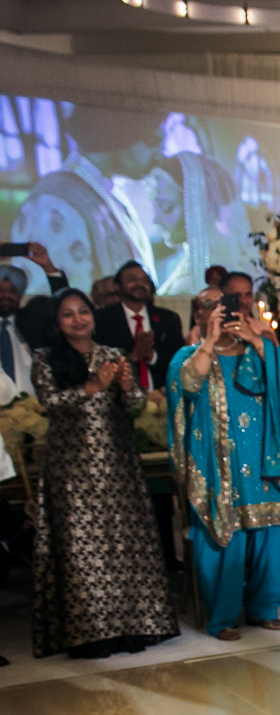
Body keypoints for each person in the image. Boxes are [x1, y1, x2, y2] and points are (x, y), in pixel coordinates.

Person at [29, 289, 179, 658]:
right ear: (56, 322)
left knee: (123, 547)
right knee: (84, 551)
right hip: (72, 470)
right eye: (68, 314)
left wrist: (128, 388)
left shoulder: (112, 354)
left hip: (117, 466)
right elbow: (49, 402)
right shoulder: (46, 358)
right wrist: (91, 387)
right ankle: (93, 634)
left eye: (84, 311)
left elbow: (134, 407)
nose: (78, 319)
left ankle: (134, 627)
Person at [167, 287, 280, 641]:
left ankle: (264, 609)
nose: (217, 310)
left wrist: (258, 342)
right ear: (196, 315)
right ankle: (223, 617)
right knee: (224, 538)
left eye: (223, 304)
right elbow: (187, 384)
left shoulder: (259, 355)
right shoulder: (188, 355)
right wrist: (209, 342)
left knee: (271, 535)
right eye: (206, 305)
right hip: (219, 469)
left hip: (265, 464)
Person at [92, 260, 183, 392]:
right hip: (119, 398)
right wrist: (134, 355)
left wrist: (152, 356)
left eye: (145, 280)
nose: (140, 284)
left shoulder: (168, 319)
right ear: (117, 286)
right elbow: (98, 365)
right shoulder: (101, 319)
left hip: (162, 397)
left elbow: (179, 362)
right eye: (132, 279)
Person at [1, 244, 72, 387]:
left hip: (34, 403)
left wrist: (49, 268)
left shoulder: (33, 320)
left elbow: (64, 305)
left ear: (20, 295)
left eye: (13, 290)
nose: (6, 295)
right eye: (0, 290)